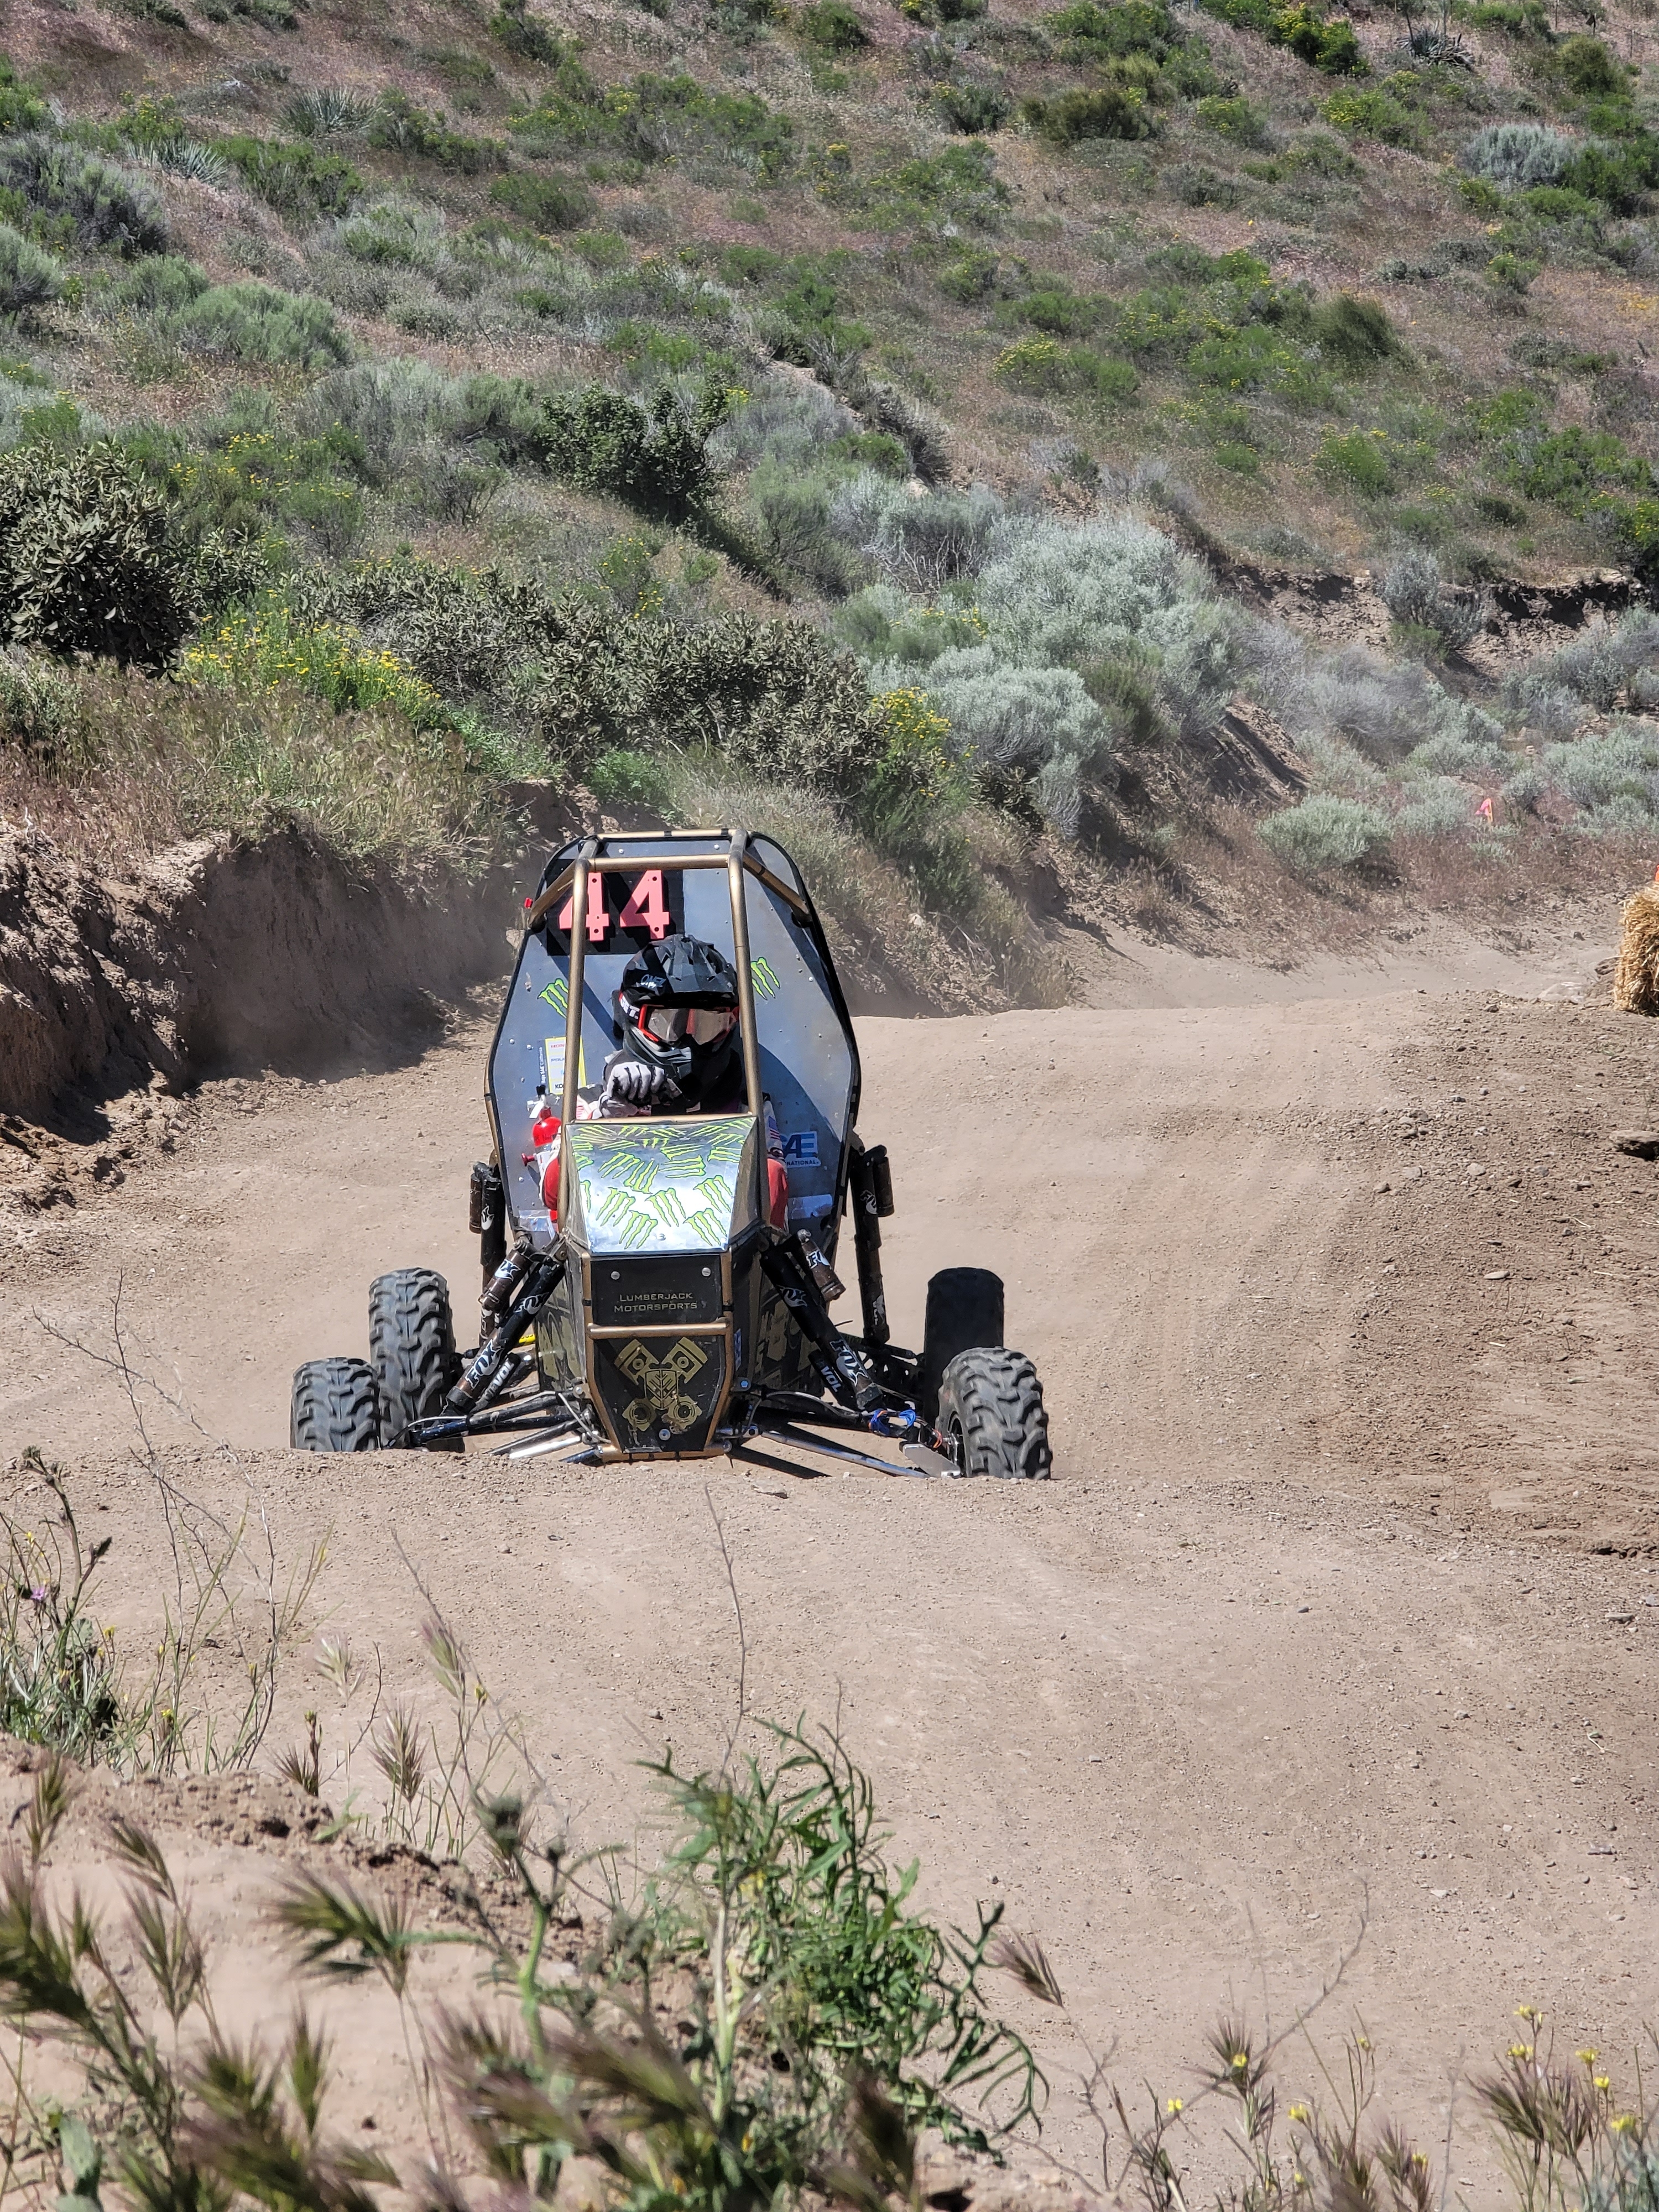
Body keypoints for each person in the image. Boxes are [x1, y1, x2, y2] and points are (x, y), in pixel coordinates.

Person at [576, 935, 791, 1230]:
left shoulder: (747, 1107)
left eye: (707, 1025)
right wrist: (607, 1122)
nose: (688, 1044)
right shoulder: (590, 1102)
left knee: (770, 1175)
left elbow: (774, 1188)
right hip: (611, 1256)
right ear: (632, 1017)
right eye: (669, 1024)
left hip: (728, 1262)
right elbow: (555, 1188)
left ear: (730, 1025)